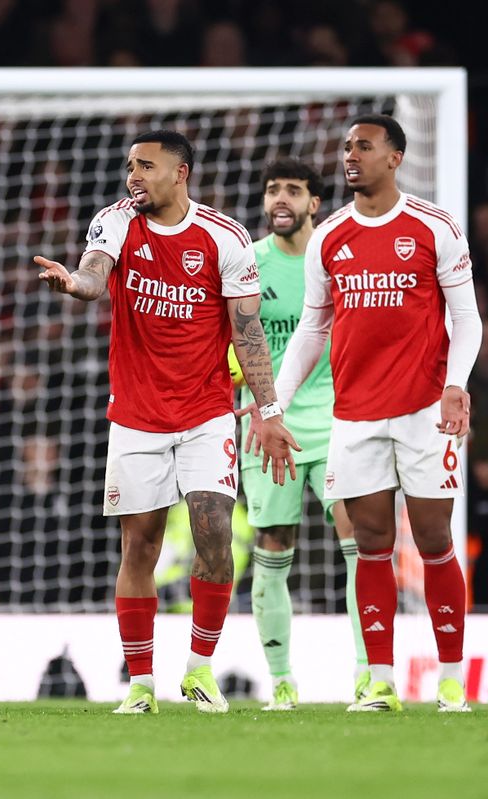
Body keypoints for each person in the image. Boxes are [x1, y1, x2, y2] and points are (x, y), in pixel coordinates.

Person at [35, 130, 297, 715]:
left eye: (146, 166)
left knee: (215, 533)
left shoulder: (224, 237)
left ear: (181, 173)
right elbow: (94, 275)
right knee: (140, 546)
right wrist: (73, 283)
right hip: (136, 416)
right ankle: (141, 684)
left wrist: (269, 411)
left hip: (206, 413)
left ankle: (199, 668)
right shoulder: (116, 221)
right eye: (130, 165)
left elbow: (248, 332)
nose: (134, 175)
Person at [263, 114, 480, 712]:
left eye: (364, 146)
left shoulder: (435, 227)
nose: (351, 156)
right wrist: (275, 404)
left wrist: (455, 385)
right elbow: (312, 329)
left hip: (424, 412)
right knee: (372, 544)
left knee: (434, 540)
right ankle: (379, 680)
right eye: (347, 147)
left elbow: (466, 319)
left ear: (395, 157)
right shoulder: (330, 236)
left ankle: (452, 678)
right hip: (354, 417)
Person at [238, 158, 366, 709]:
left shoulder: (336, 256)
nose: (280, 199)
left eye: (293, 190)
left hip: (338, 417)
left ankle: (370, 674)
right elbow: (229, 340)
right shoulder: (248, 264)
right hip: (269, 423)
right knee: (273, 542)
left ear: (315, 203)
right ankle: (282, 681)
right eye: (272, 190)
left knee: (361, 536)